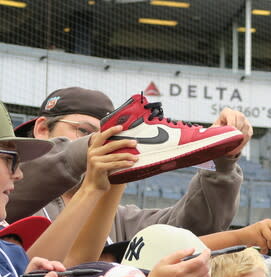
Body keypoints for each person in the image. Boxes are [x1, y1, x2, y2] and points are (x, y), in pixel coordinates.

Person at [8, 87, 252, 241]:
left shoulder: (115, 216)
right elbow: (26, 183)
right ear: (41, 128)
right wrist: (97, 146)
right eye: (83, 131)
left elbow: (195, 228)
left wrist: (223, 161)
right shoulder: (8, 195)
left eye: (113, 137)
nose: (107, 143)